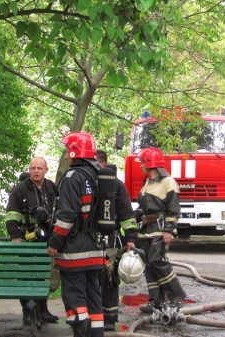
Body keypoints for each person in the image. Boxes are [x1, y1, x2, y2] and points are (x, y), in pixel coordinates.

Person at [48, 131, 106, 337]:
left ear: (74, 151)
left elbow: (66, 217)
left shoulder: (74, 177)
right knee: (93, 298)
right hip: (96, 249)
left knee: (75, 300)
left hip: (74, 251)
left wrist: (54, 242)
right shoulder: (100, 174)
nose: (65, 156)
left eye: (67, 150)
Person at [5, 157, 59, 324]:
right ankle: (28, 312)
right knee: (27, 277)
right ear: (29, 170)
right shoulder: (20, 189)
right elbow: (11, 215)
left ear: (46, 170)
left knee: (43, 276)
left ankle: (43, 311)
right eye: (33, 168)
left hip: (47, 239)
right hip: (27, 239)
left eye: (39, 168)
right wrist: (14, 236)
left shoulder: (51, 187)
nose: (36, 171)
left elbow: (61, 211)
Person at [135, 147, 186, 314]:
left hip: (159, 229)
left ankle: (176, 296)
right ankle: (155, 301)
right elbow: (143, 208)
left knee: (157, 261)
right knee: (149, 264)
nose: (141, 165)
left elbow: (174, 208)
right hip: (146, 230)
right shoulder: (148, 181)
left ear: (151, 163)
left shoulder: (168, 182)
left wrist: (169, 230)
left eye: (142, 162)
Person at [95, 150, 138, 331]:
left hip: (111, 241)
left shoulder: (117, 186)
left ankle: (110, 319)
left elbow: (126, 215)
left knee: (109, 280)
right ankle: (94, 317)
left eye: (96, 163)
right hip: (89, 241)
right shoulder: (85, 182)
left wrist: (130, 239)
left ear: (103, 164)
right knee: (91, 280)